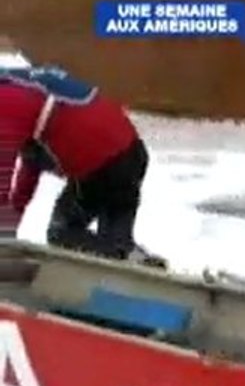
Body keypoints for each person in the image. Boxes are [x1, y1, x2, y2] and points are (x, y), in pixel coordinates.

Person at [0, 65, 165, 266]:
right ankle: (137, 266)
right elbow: (31, 161)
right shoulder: (22, 84)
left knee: (63, 233)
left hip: (102, 169)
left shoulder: (5, 102)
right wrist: (8, 232)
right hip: (132, 156)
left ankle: (123, 260)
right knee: (115, 245)